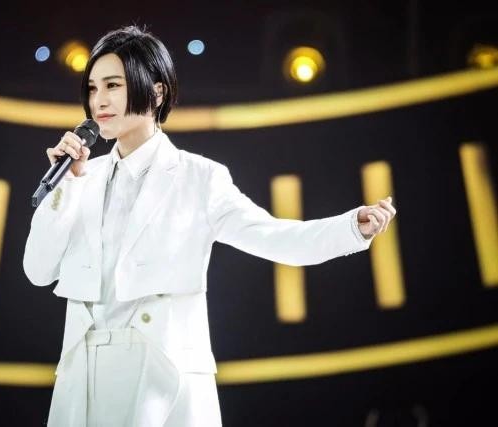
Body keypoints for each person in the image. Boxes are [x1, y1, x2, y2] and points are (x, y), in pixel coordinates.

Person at [23, 25, 397, 427]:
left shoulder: (199, 178)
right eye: (92, 88)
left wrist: (350, 228)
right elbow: (38, 271)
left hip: (161, 370)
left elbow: (274, 237)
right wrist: (64, 187)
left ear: (157, 92)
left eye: (113, 85)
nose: (99, 100)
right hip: (83, 374)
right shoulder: (81, 177)